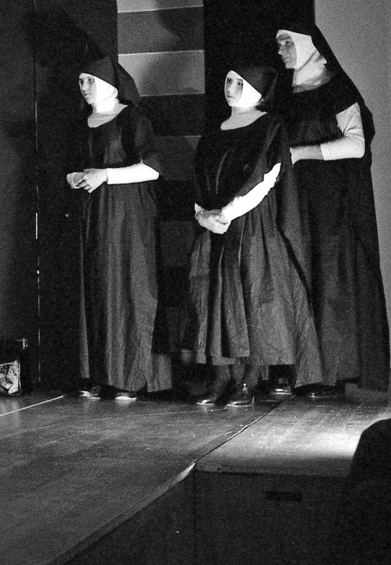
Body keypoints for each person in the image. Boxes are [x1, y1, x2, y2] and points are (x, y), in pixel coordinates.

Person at [185, 64, 321, 406]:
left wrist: (228, 213)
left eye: (238, 82)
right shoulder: (215, 130)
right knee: (214, 300)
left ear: (258, 90)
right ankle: (220, 378)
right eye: (228, 80)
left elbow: (267, 177)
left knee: (251, 298)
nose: (229, 87)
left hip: (250, 224)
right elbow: (198, 176)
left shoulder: (269, 126)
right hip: (214, 227)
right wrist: (202, 215)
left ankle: (247, 381)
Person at [275, 23, 389, 396]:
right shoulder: (285, 96)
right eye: (280, 44)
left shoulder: (337, 91)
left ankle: (330, 372)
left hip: (332, 203)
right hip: (296, 199)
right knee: (296, 274)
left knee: (330, 279)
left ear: (309, 45)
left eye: (287, 42)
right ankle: (297, 368)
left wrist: (302, 153)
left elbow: (356, 143)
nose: (281, 50)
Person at [65, 55, 171, 401]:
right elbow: (72, 164)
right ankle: (98, 373)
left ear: (110, 84)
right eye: (81, 81)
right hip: (93, 216)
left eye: (90, 81)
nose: (84, 88)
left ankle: (129, 376)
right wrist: (75, 176)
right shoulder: (81, 123)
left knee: (127, 286)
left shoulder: (132, 119)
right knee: (96, 289)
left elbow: (152, 168)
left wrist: (105, 175)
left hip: (127, 217)